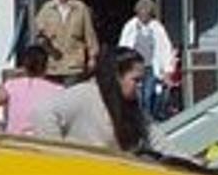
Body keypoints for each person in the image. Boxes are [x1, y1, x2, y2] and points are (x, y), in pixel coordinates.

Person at [28, 47, 176, 156]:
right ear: (117, 77)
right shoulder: (86, 94)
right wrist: (60, 157)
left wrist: (193, 167)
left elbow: (159, 143)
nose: (140, 86)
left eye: (142, 81)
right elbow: (42, 113)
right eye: (136, 80)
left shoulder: (132, 109)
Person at [118, 0, 177, 119]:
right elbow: (123, 46)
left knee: (148, 95)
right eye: (141, 12)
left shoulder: (157, 28)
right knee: (137, 95)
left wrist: (167, 70)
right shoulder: (130, 26)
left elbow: (165, 49)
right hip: (134, 68)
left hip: (150, 68)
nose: (143, 15)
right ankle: (138, 119)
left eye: (146, 13)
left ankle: (148, 119)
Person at [34, 0, 99, 83]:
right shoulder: (46, 9)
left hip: (74, 66)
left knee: (71, 97)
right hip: (53, 66)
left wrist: (92, 57)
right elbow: (38, 33)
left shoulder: (80, 8)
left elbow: (90, 34)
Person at [0, 44, 54, 136]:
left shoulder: (11, 86)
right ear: (46, 66)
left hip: (15, 142)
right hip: (43, 143)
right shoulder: (57, 91)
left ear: (24, 66)